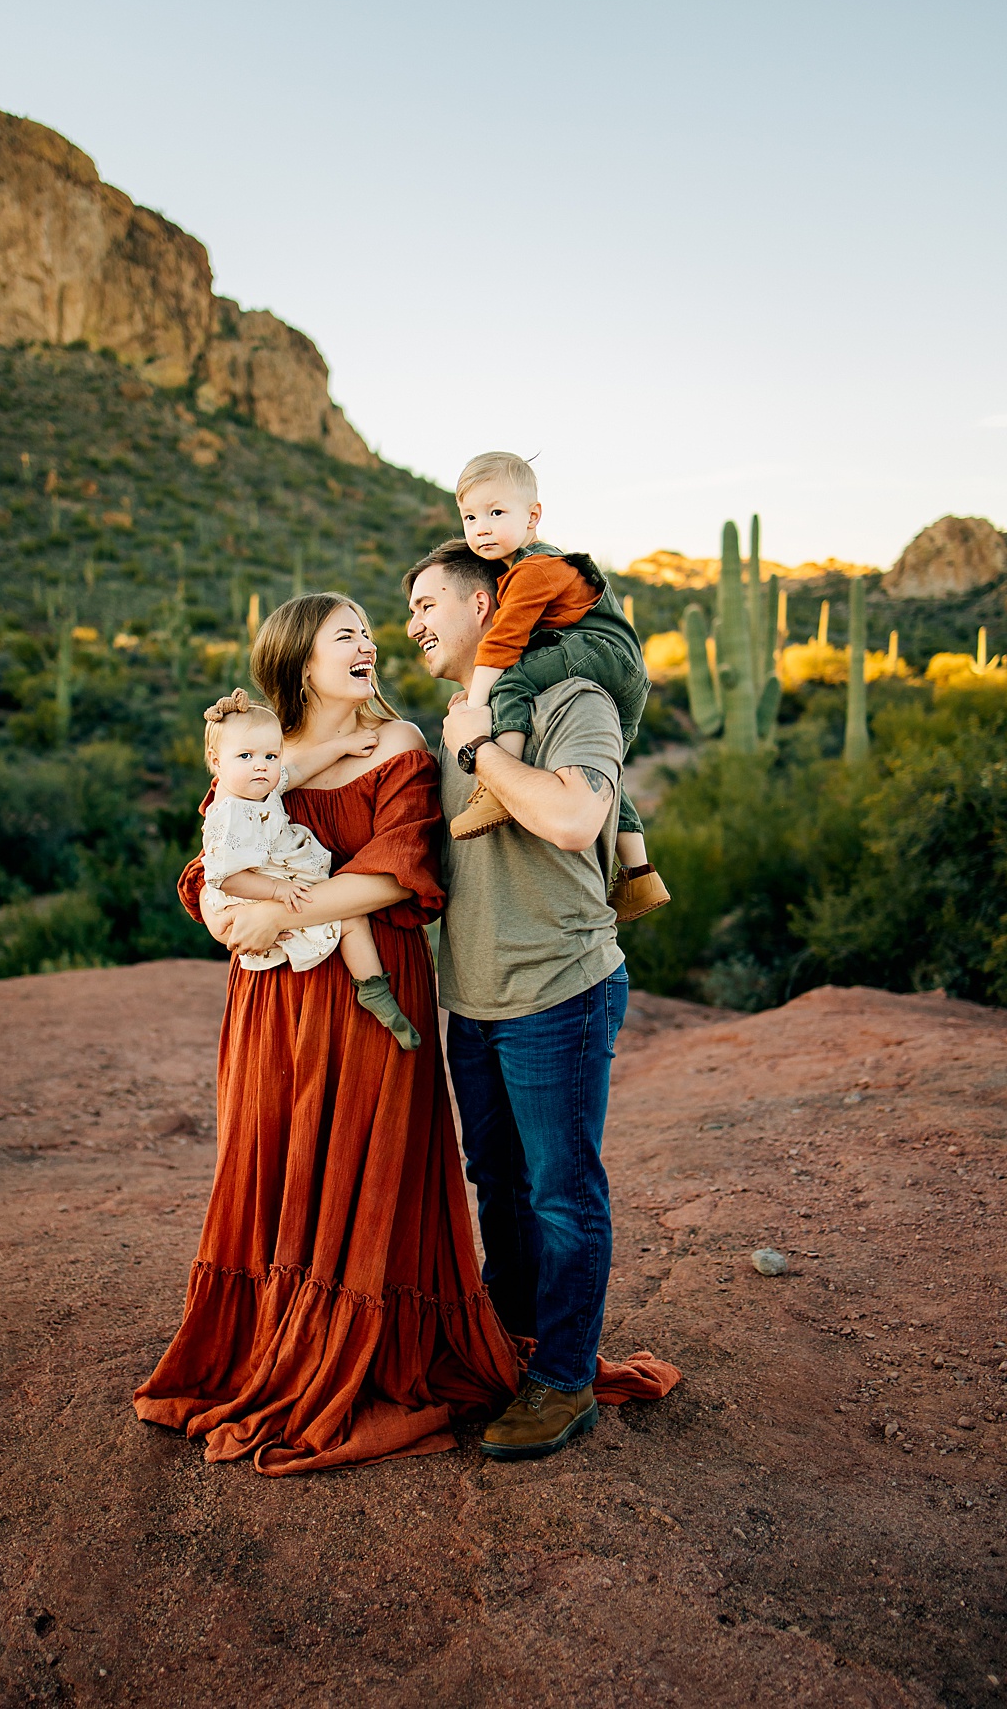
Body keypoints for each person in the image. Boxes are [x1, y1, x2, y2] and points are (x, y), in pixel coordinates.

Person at [133, 593, 520, 1473]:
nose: (368, 644)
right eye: (346, 635)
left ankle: (357, 1347)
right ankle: (269, 1340)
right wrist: (230, 916)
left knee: (359, 1158)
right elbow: (210, 859)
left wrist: (278, 915)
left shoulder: (401, 745)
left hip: (368, 981)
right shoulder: (263, 753)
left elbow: (402, 872)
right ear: (301, 656)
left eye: (368, 634)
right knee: (273, 1153)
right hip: (273, 1000)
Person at [406, 539, 634, 1460]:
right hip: (476, 999)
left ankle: (564, 1383)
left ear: (486, 606)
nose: (414, 623)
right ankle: (513, 1349)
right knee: (495, 1186)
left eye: (428, 604)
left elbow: (574, 817)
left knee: (560, 1197)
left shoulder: (573, 701)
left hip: (559, 991)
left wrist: (477, 748)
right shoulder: (457, 715)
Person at [446, 450, 669, 925]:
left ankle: (494, 790)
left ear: (533, 516)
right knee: (610, 773)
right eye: (469, 516)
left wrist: (477, 705)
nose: (480, 527)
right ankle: (639, 873)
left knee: (512, 675)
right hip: (624, 671)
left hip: (601, 652)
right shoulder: (522, 569)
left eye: (495, 512)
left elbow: (503, 642)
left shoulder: (533, 569)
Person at [198, 686, 419, 1048]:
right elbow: (225, 876)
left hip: (286, 887)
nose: (261, 765)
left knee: (351, 921)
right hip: (261, 894)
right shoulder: (228, 813)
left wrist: (342, 748)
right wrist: (276, 894)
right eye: (246, 756)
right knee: (349, 919)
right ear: (217, 762)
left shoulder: (262, 785)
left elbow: (297, 769)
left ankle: (374, 988)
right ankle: (374, 989)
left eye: (271, 755)